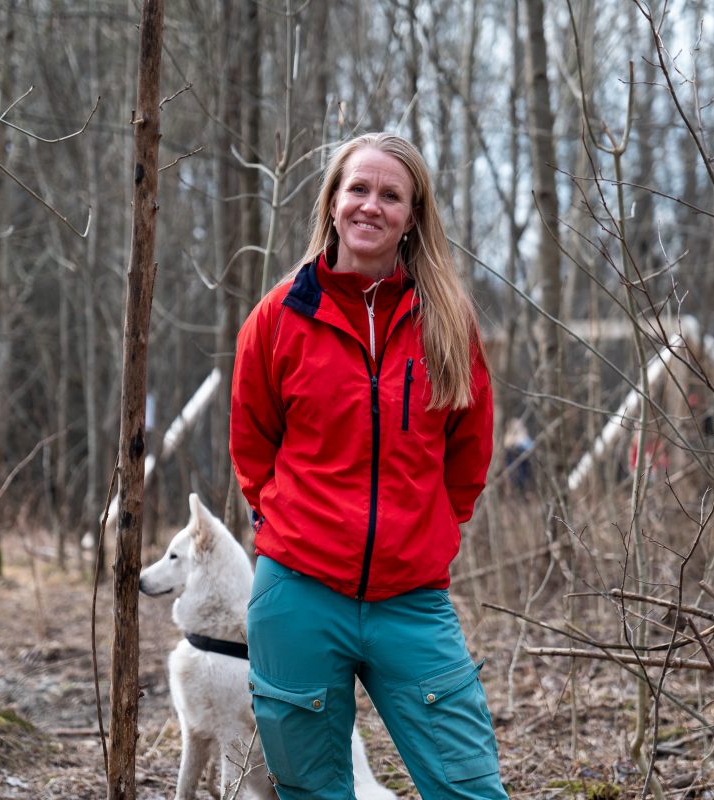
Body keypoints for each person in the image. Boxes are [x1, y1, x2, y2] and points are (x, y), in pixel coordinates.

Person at [229, 132, 506, 799]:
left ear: (413, 216)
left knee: (471, 788)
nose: (371, 206)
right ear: (332, 203)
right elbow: (251, 443)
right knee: (314, 791)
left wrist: (431, 527)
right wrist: (292, 524)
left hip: (411, 600)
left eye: (391, 195)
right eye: (358, 189)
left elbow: (469, 451)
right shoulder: (278, 319)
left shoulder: (448, 323)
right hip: (298, 593)